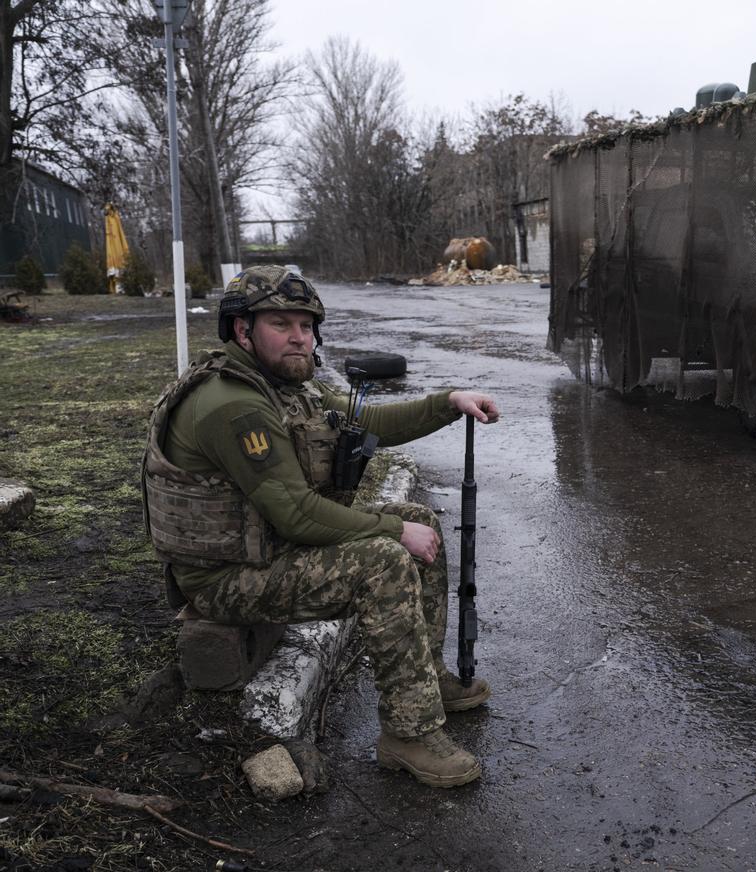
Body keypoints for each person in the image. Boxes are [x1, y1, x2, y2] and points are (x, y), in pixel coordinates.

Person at [141, 264, 500, 788]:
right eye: (281, 325)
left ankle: (426, 682)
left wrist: (447, 404)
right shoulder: (235, 404)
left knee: (420, 519)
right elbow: (297, 513)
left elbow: (366, 422)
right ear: (243, 330)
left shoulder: (278, 387)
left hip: (264, 548)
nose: (299, 338)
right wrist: (390, 532)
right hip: (224, 578)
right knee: (384, 560)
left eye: (306, 326)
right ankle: (410, 733)